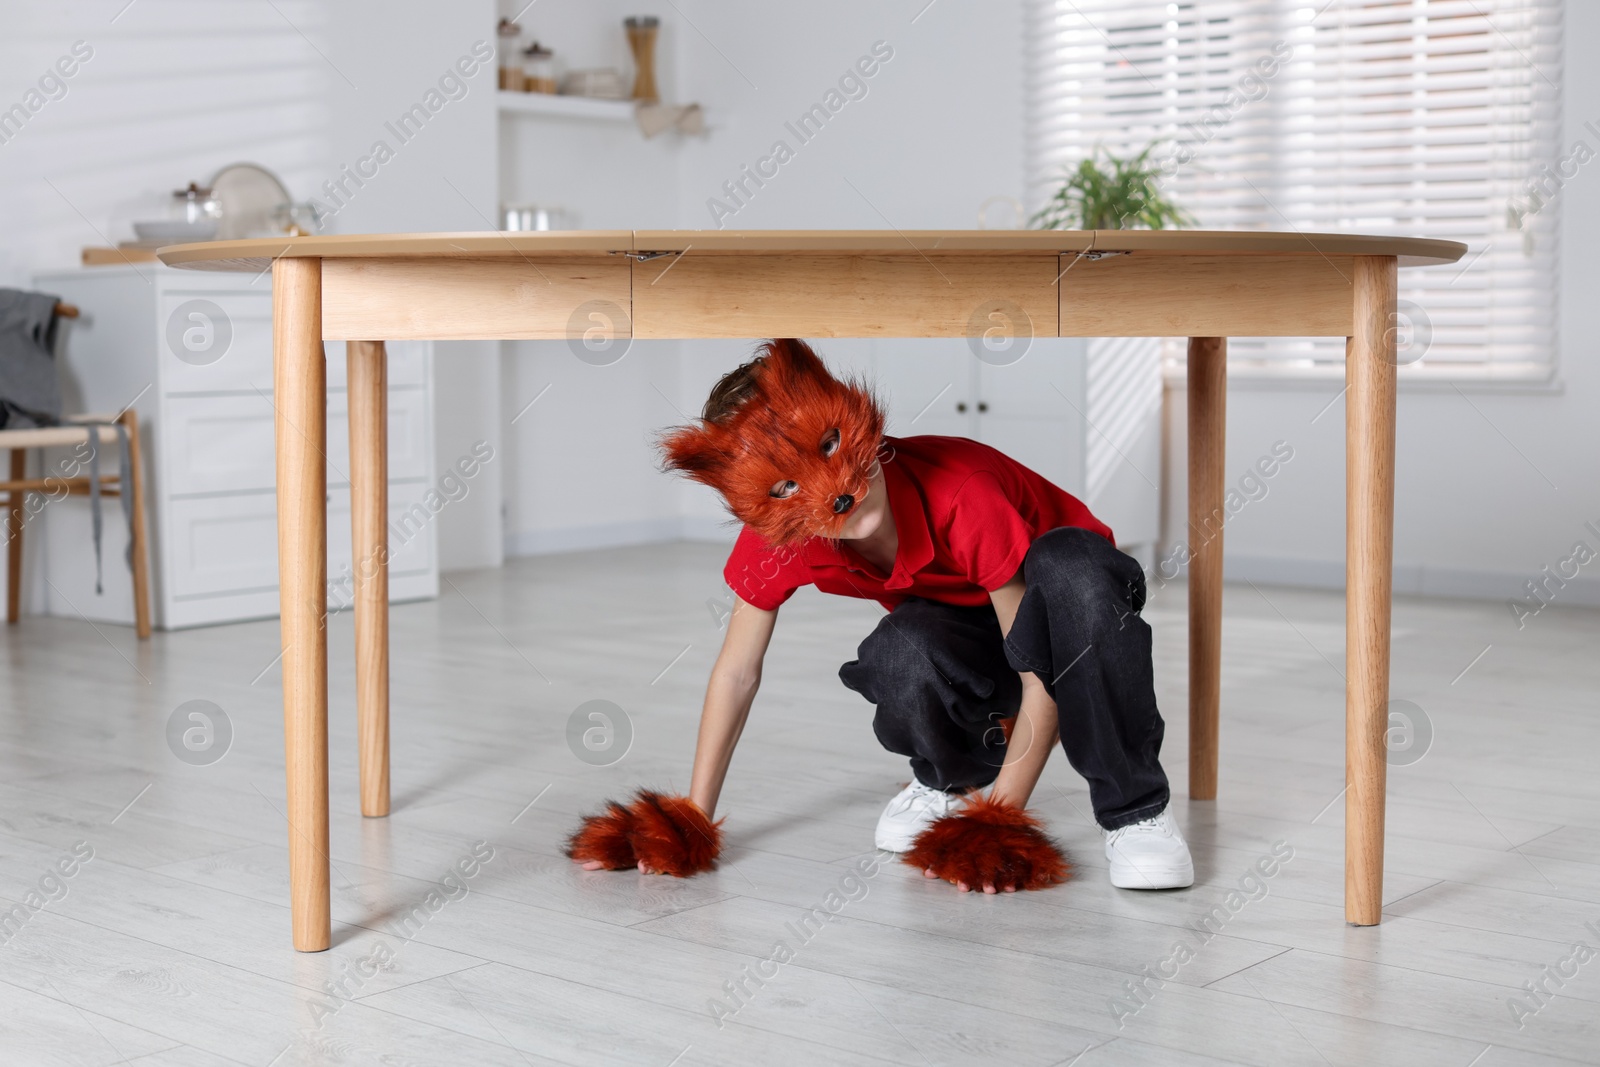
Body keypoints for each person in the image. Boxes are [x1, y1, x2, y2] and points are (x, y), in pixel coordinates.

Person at [566, 338, 1192, 893]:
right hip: (973, 631)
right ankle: (948, 779)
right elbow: (736, 672)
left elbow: (1040, 673)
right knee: (902, 647)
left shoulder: (963, 493)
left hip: (1076, 612)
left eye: (830, 445)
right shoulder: (785, 537)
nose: (836, 491)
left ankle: (1136, 812)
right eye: (785, 486)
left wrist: (998, 824)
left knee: (1070, 571)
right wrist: (691, 821)